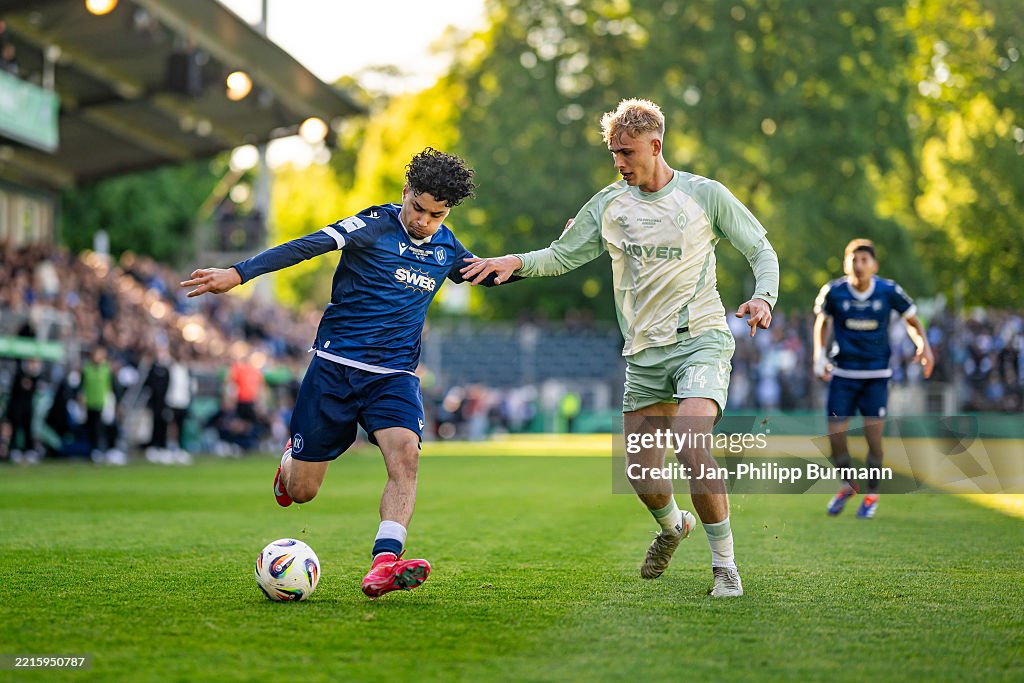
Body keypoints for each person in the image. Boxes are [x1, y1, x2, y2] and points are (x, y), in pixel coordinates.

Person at [461, 98, 779, 597]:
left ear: (656, 146)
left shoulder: (705, 195)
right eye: (614, 154)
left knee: (693, 444)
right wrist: (514, 261)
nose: (619, 163)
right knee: (640, 473)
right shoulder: (610, 204)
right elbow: (562, 256)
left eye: (627, 153)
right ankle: (673, 527)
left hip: (701, 340)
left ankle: (725, 566)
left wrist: (763, 297)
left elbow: (761, 249)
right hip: (643, 355)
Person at [182, 148, 515, 598]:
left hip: (394, 376)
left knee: (407, 458)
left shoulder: (446, 246)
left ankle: (384, 564)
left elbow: (487, 273)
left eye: (436, 215)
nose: (423, 221)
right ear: (405, 192)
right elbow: (307, 246)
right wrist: (239, 274)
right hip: (335, 370)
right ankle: (289, 466)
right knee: (302, 492)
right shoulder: (373, 225)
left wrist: (542, 258)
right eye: (417, 208)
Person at [813, 238, 933, 519]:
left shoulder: (888, 291)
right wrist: (818, 355)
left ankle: (872, 493)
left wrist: (923, 346)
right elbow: (822, 321)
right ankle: (847, 484)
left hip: (876, 376)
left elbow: (913, 321)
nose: (858, 265)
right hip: (843, 374)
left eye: (864, 260)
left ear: (874, 265)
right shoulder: (834, 291)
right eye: (853, 260)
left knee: (874, 440)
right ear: (846, 263)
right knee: (835, 437)